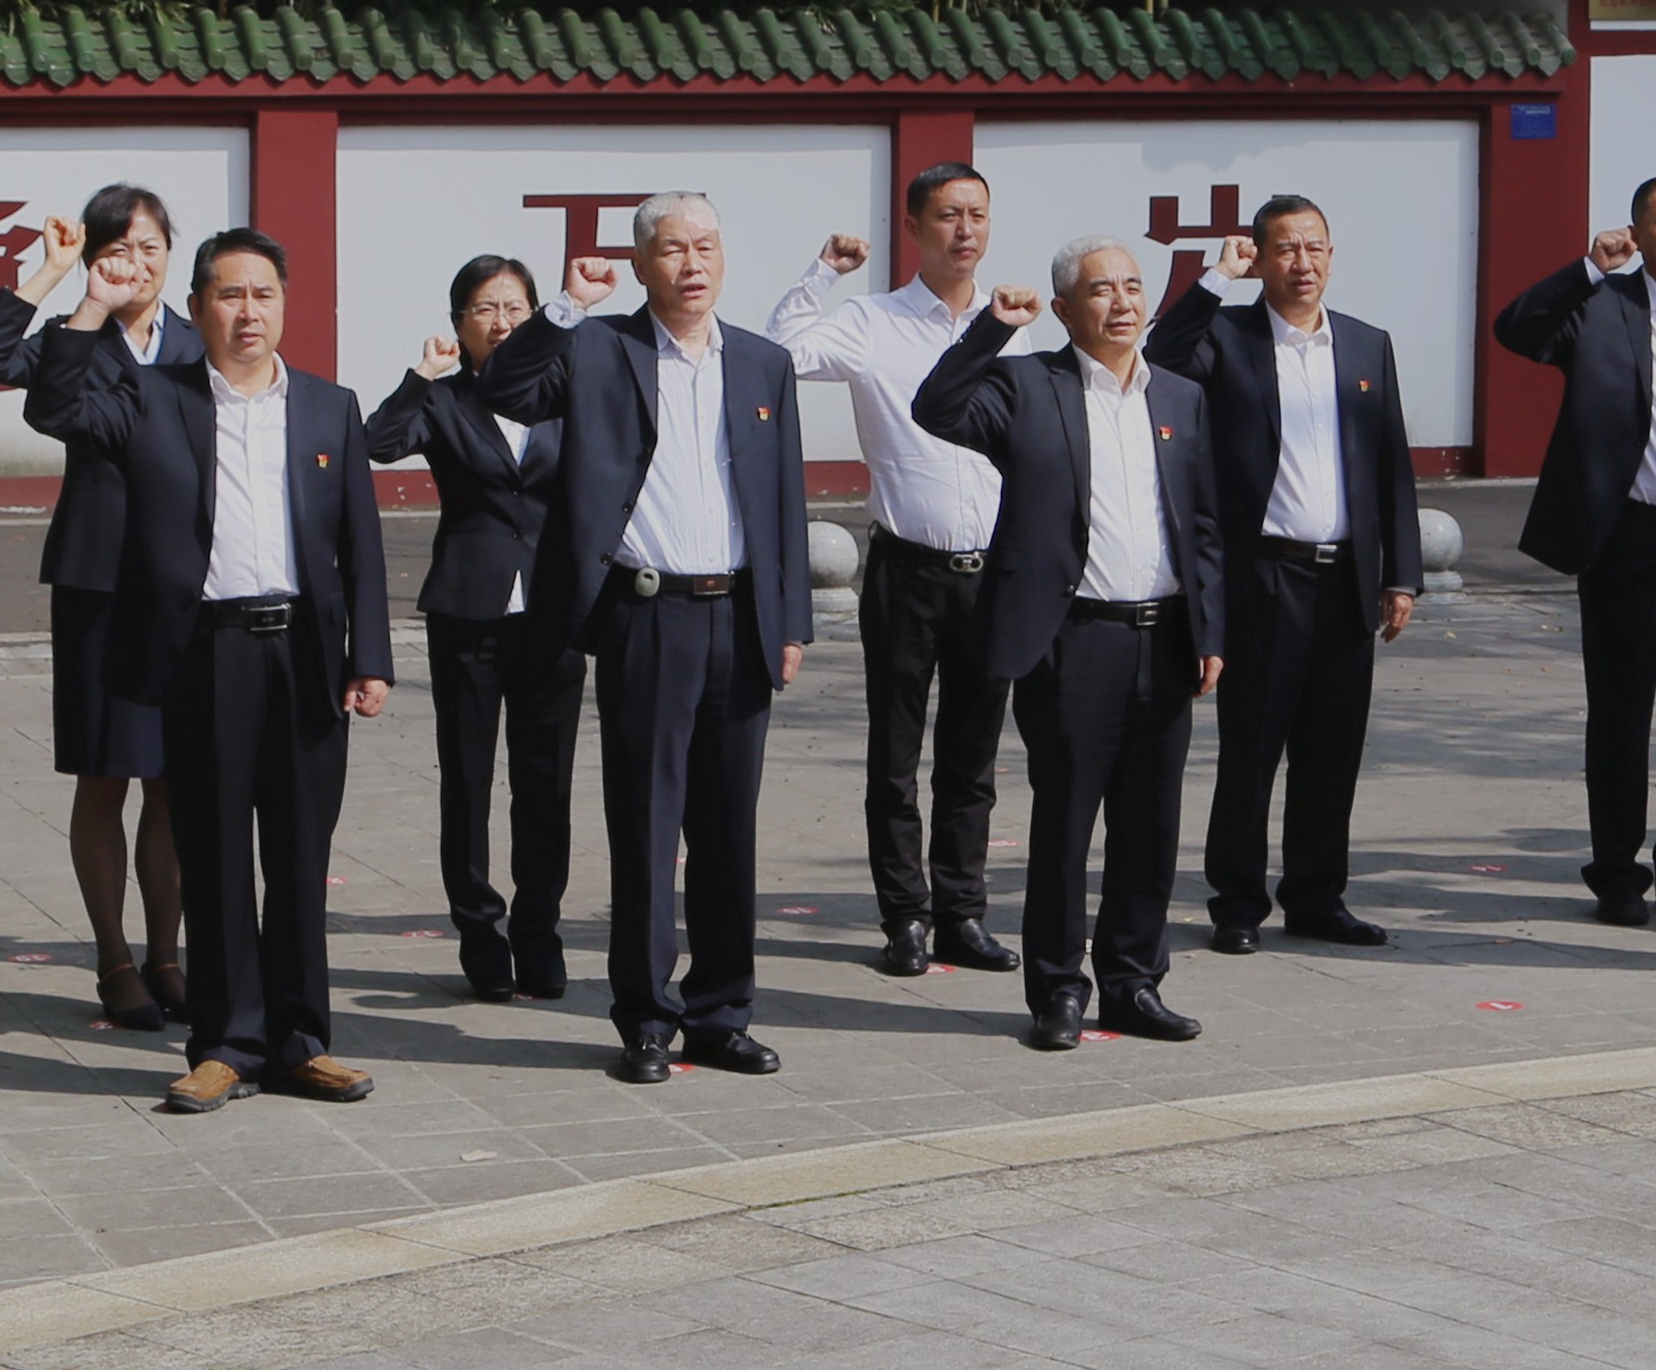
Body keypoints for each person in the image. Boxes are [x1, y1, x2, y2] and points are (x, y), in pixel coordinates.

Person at [25, 228, 394, 1110]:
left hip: (305, 655)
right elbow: (54, 405)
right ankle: (226, 1043)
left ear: (284, 304)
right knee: (216, 852)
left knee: (300, 857)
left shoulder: (328, 406)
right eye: (229, 295)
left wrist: (370, 657)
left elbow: (361, 544)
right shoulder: (153, 397)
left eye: (264, 294)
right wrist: (93, 303)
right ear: (197, 308)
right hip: (204, 653)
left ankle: (301, 1041)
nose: (248, 312)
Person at [476, 193, 814, 1081]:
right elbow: (504, 388)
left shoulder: (764, 363)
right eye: (671, 249)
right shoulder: (597, 348)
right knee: (647, 824)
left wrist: (791, 621)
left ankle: (722, 1012)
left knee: (728, 829)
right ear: (640, 264)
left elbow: (783, 497)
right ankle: (646, 1018)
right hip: (647, 614)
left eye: (705, 246)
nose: (691, 264)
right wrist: (564, 306)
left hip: (740, 617)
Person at [916, 240, 1227, 1048]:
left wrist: (1211, 630)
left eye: (1133, 287)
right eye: (1101, 290)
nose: (1122, 303)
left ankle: (1133, 982)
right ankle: (1057, 988)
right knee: (1065, 827)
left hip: (1165, 637)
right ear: (1064, 309)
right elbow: (937, 408)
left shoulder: (1181, 396)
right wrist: (990, 329)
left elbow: (1202, 524)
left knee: (1151, 826)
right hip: (1072, 640)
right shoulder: (1027, 386)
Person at [764, 164, 1019, 978]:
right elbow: (780, 353)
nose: (965, 230)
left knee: (973, 756)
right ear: (914, 228)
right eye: (948, 215)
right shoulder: (872, 323)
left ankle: (962, 913)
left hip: (993, 573)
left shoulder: (1013, 325)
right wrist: (823, 273)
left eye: (977, 214)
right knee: (896, 755)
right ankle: (904, 916)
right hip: (907, 569)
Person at [1489, 175, 1656, 929]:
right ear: (1637, 234)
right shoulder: (1600, 308)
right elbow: (1515, 328)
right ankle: (1616, 873)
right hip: (1630, 545)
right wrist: (1587, 268)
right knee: (1621, 718)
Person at [1144, 196, 1417, 949]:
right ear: (1261, 258)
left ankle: (1318, 897)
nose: (1303, 263)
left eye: (1315, 247)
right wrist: (1214, 279)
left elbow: (1391, 461)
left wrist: (1402, 574)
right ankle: (1237, 903)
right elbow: (1161, 360)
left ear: (1332, 255)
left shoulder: (1365, 345)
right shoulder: (1227, 337)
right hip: (1263, 575)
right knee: (1253, 748)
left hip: (1346, 579)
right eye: (1286, 249)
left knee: (1332, 749)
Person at [0, 188, 192, 1030]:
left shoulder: (200, 343)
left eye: (151, 246)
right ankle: (115, 961)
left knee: (175, 780)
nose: (137, 263)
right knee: (106, 774)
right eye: (119, 249)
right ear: (97, 258)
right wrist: (58, 277)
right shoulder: (77, 334)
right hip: (100, 582)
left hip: (188, 584)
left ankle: (168, 957)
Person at [365, 256, 577, 1000]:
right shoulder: (445, 400)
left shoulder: (566, 396)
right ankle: (481, 934)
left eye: (515, 307)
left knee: (546, 783)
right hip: (468, 614)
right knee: (467, 781)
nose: (502, 321)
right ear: (460, 324)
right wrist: (420, 376)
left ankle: (539, 931)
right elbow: (377, 442)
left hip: (552, 616)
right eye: (485, 308)